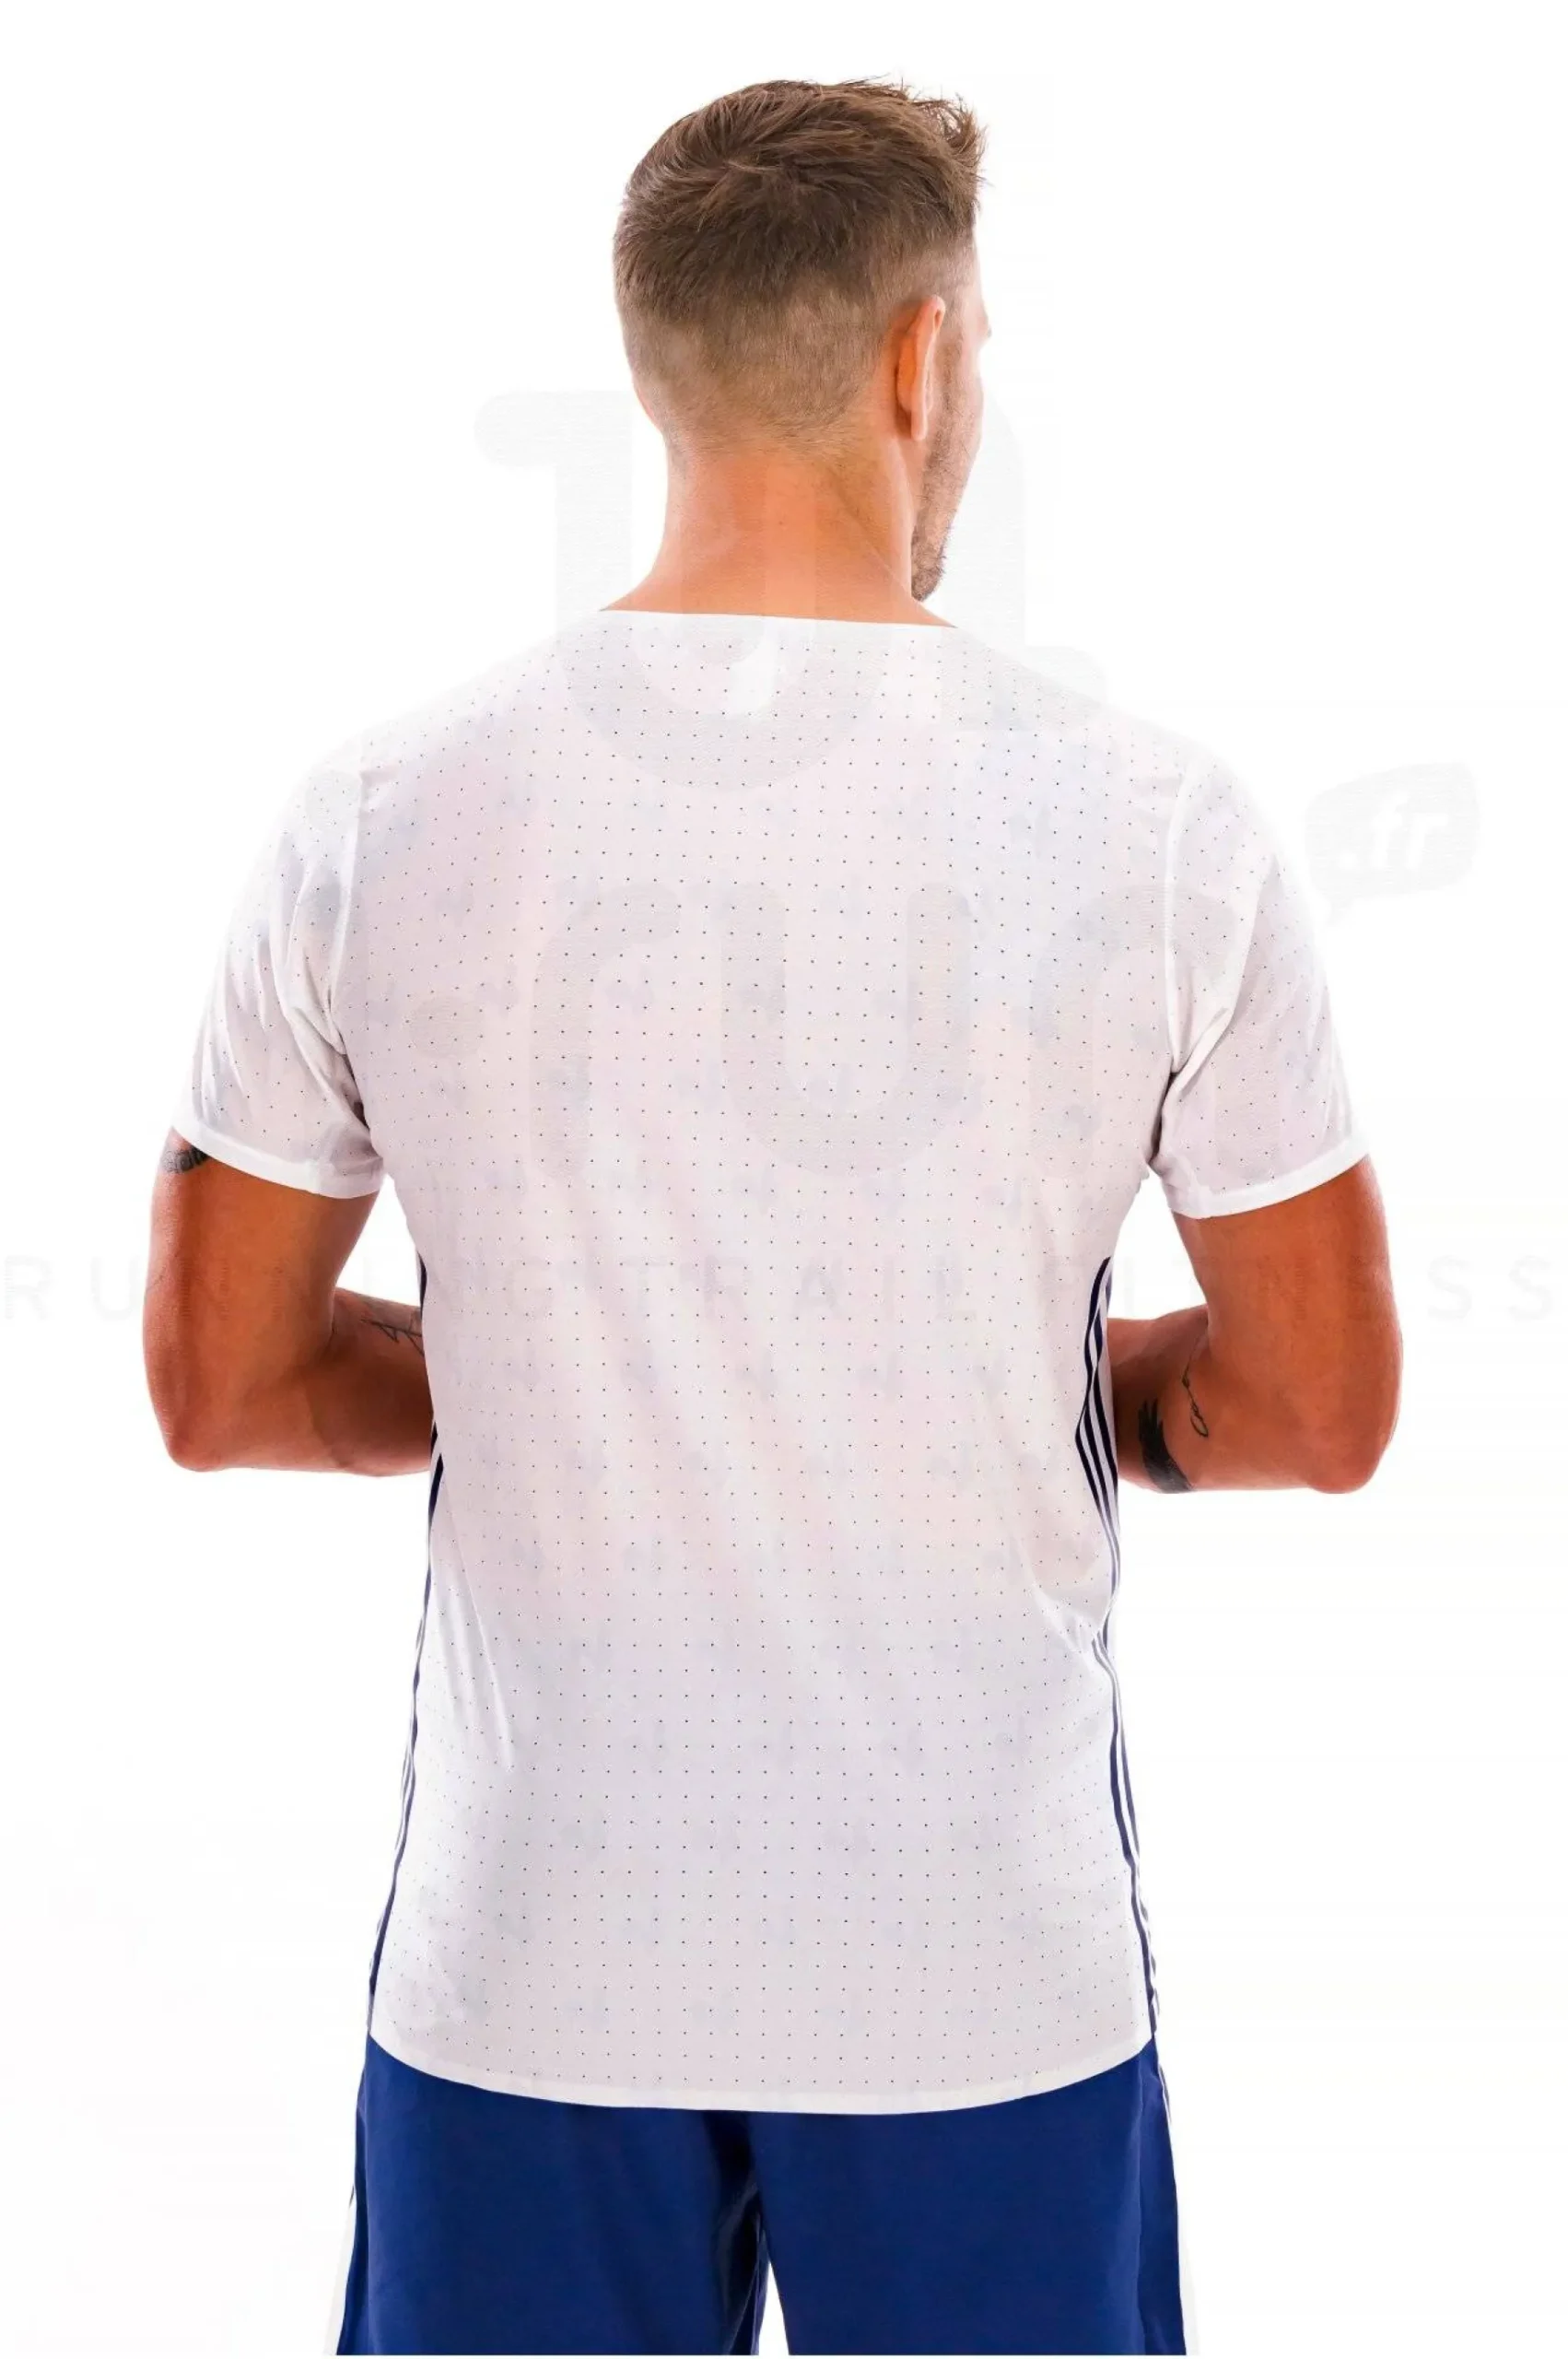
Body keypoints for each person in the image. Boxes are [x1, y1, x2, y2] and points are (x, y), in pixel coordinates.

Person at [143, 76, 1401, 2358]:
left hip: (531, 1948)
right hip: (973, 1962)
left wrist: (578, 1370)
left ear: (658, 369)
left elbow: (220, 1384)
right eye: (977, 345)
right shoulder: (1154, 827)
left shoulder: (380, 814)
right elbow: (1315, 1406)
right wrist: (997, 1378)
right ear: (922, 359)